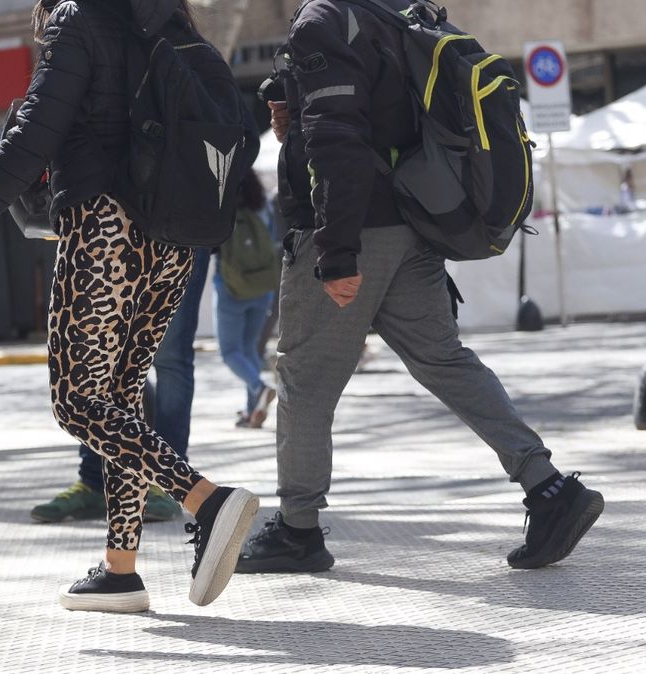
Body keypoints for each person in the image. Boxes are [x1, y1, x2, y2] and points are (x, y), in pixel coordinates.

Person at [237, 0, 604, 574]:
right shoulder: (389, 15)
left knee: (304, 378)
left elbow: (338, 137)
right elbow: (377, 118)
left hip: (352, 230)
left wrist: (336, 253)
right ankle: (548, 486)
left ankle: (298, 532)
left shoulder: (322, 21)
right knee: (444, 360)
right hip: (412, 226)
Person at [0, 0, 259, 611]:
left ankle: (208, 501)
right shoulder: (172, 21)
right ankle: (121, 569)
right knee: (121, 399)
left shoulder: (77, 20)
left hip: (105, 226)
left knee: (78, 401)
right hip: (173, 239)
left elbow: (31, 137)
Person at [29, 248, 209, 524]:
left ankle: (171, 485)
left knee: (171, 358)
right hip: (112, 227)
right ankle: (95, 483)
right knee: (101, 359)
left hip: (181, 227)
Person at [214, 169, 278, 429]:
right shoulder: (262, 206)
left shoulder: (221, 209)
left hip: (232, 287)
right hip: (263, 286)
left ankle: (259, 387)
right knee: (249, 348)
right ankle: (254, 410)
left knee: (230, 351)